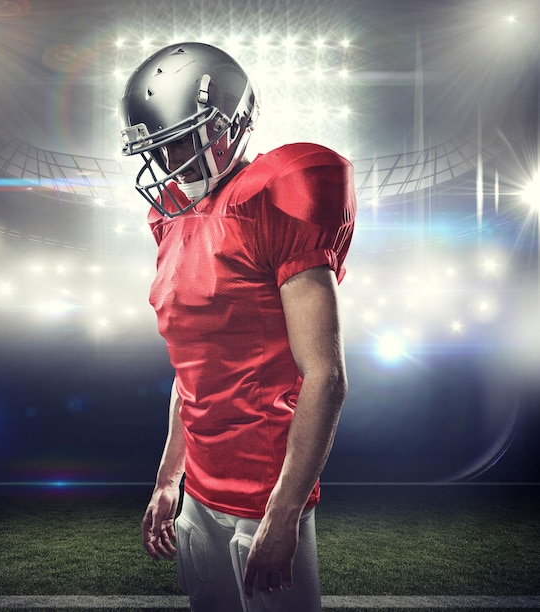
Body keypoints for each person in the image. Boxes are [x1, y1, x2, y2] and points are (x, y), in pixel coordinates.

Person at [118, 42, 356, 612]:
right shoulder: (170, 220)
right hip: (199, 487)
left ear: (229, 124)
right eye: (157, 147)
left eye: (180, 139)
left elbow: (325, 376)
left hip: (265, 490)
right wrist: (167, 479)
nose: (168, 160)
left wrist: (285, 511)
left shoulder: (274, 198)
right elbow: (190, 373)